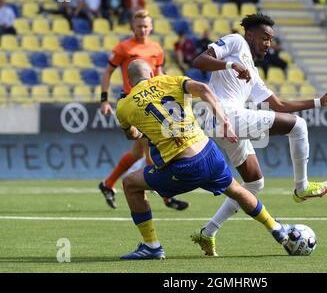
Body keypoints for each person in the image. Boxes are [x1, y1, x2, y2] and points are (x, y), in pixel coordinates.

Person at [191, 13, 327, 256]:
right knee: (298, 126)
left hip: (224, 123)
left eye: (271, 39)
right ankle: (301, 187)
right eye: (264, 37)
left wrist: (318, 102)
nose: (268, 43)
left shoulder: (253, 72)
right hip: (225, 115)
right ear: (250, 34)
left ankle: (207, 233)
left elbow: (278, 105)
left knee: (254, 183)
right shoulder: (236, 42)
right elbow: (199, 61)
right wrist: (231, 64)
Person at [117, 60, 292, 259]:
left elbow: (132, 135)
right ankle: (275, 227)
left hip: (183, 168)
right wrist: (224, 120)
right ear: (150, 74)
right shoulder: (169, 80)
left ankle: (152, 246)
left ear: (128, 81)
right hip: (210, 153)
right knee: (237, 191)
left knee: (130, 183)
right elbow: (203, 88)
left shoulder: (124, 105)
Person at [99, 9, 189, 211]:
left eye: (146, 25)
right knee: (149, 147)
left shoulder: (157, 48)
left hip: (152, 101)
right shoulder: (123, 48)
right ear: (132, 26)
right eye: (139, 25)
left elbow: (159, 74)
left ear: (151, 26)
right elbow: (107, 72)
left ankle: (107, 184)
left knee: (139, 151)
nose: (143, 29)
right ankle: (166, 197)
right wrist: (104, 99)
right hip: (134, 102)